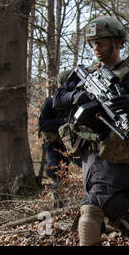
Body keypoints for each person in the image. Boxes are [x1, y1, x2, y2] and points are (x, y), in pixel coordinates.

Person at [52, 15, 129, 246]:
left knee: (91, 211)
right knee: (113, 211)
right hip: (90, 155)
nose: (96, 48)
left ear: (118, 43)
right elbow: (56, 100)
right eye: (92, 43)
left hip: (117, 155)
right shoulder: (86, 74)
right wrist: (75, 95)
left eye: (101, 42)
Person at [39, 71, 82, 207]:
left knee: (88, 165)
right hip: (54, 144)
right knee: (56, 173)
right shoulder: (51, 101)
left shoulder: (75, 99)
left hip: (73, 142)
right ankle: (58, 204)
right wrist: (63, 122)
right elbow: (43, 124)